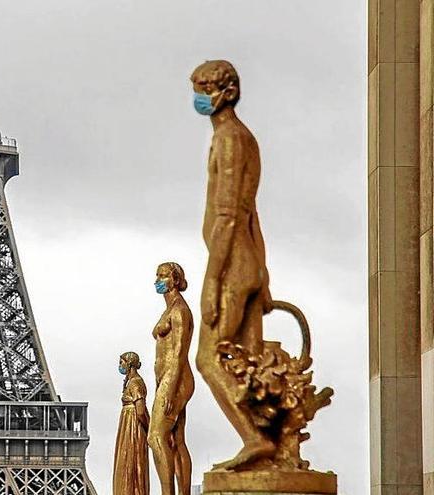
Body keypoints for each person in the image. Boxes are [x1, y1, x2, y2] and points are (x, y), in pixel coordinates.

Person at [191, 60, 275, 469]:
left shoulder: (228, 138)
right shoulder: (245, 137)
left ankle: (254, 439)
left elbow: (227, 214)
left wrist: (210, 280)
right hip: (248, 263)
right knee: (249, 362)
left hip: (230, 266)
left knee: (207, 358)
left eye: (204, 88)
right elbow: (252, 212)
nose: (198, 97)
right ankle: (267, 449)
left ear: (225, 92)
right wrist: (264, 274)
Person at [149, 262, 194, 495]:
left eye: (163, 275)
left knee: (155, 435)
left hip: (175, 379)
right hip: (166, 379)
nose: (157, 279)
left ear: (175, 280)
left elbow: (179, 353)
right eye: (157, 275)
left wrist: (171, 387)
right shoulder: (170, 309)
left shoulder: (179, 311)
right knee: (176, 440)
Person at [113, 351, 150, 495]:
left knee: (130, 462)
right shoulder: (132, 382)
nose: (119, 366)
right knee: (128, 462)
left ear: (129, 364)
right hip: (128, 424)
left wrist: (149, 429)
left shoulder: (136, 383)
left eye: (121, 362)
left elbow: (140, 411)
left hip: (132, 426)